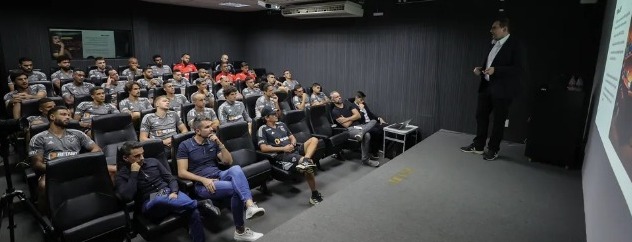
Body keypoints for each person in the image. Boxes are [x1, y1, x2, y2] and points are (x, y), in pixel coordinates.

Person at [177, 117, 265, 241]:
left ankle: (250, 205)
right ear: (197, 130)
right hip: (203, 184)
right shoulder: (185, 145)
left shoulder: (212, 141)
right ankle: (240, 230)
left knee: (236, 168)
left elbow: (228, 161)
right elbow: (181, 172)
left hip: (219, 174)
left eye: (211, 126)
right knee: (236, 189)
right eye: (207, 127)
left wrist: (220, 143)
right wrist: (203, 180)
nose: (211, 129)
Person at [116, 141, 218, 242]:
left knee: (193, 212)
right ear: (126, 158)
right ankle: (200, 204)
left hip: (168, 192)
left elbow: (171, 179)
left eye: (142, 154)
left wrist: (174, 191)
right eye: (137, 156)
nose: (142, 158)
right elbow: (127, 196)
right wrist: (134, 173)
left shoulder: (153, 161)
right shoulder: (122, 174)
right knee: (158, 199)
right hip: (149, 201)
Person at [460, 17, 523, 161]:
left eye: (494, 28)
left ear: (504, 29)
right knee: (480, 115)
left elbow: (518, 69)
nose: (491, 31)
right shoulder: (493, 44)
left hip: (502, 90)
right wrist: (481, 69)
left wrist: (497, 70)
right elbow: (490, 64)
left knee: (498, 121)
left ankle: (493, 149)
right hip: (486, 86)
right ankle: (478, 146)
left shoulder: (515, 44)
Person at [29, 106, 103, 211]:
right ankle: (44, 217)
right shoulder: (39, 138)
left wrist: (80, 162)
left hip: (78, 167)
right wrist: (60, 169)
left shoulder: (77, 133)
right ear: (52, 117)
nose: (68, 117)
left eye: (68, 115)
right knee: (43, 185)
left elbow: (97, 150)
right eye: (63, 114)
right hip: (53, 171)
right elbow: (37, 164)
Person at [257, 106, 323, 205]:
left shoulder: (282, 124)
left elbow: (293, 138)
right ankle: (314, 195)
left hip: (294, 149)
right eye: (273, 114)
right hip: (282, 155)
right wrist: (283, 148)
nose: (276, 115)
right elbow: (263, 148)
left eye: (276, 113)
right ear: (266, 118)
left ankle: (306, 159)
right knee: (309, 165)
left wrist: (292, 144)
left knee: (314, 139)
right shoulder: (263, 129)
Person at [330, 91, 379, 167]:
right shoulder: (335, 111)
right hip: (350, 130)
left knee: (374, 121)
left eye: (339, 96)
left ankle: (361, 133)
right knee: (367, 135)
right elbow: (346, 125)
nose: (339, 97)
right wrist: (353, 117)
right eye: (336, 97)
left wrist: (346, 118)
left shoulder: (347, 103)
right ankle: (365, 160)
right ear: (332, 100)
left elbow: (358, 116)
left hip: (361, 126)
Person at [352, 91, 386, 159]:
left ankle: (379, 148)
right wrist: (361, 109)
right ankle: (374, 152)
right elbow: (358, 118)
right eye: (361, 99)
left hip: (371, 122)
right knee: (376, 131)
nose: (362, 101)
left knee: (384, 127)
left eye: (363, 100)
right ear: (356, 98)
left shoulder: (363, 104)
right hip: (364, 125)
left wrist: (379, 118)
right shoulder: (352, 106)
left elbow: (370, 113)